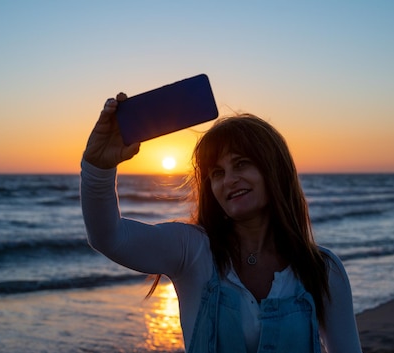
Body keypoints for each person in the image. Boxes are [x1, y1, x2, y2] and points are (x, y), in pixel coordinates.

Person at [81, 93, 363, 353]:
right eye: (217, 172)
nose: (229, 180)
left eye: (241, 164)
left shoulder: (322, 270)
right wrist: (98, 166)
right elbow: (109, 236)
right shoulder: (192, 251)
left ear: (274, 169)